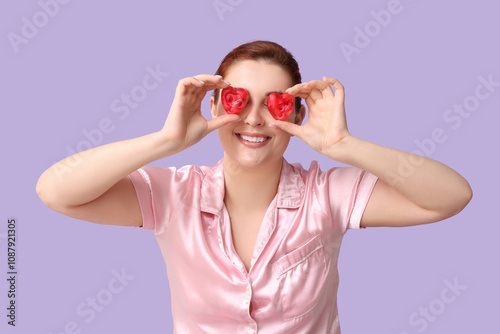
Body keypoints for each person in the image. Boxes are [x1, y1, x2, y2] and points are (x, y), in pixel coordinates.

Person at [36, 40, 473, 333]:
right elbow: (55, 191)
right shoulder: (172, 194)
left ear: (297, 116)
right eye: (238, 100)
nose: (255, 119)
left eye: (276, 104)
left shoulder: (328, 196)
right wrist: (164, 141)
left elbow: (452, 197)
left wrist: (344, 145)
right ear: (213, 104)